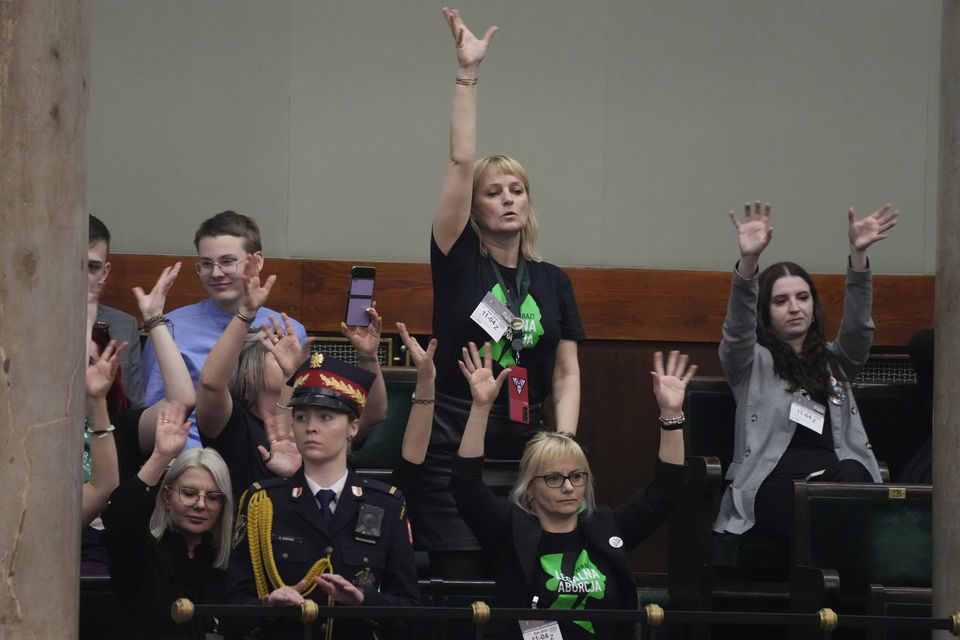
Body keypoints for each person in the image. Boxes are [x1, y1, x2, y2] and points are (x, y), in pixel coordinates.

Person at [423, 7, 586, 576]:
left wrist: (561, 447)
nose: (509, 199)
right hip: (455, 446)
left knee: (525, 583)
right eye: (494, 192)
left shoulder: (551, 280)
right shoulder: (458, 261)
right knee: (465, 585)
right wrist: (467, 75)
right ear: (473, 206)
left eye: (517, 190)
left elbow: (564, 373)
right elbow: (460, 159)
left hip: (527, 450)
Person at [450, 343, 693, 639]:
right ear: (530, 491)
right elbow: (466, 486)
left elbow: (665, 490)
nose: (568, 486)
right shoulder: (510, 531)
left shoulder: (606, 527)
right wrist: (480, 407)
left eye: (577, 476)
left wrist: (672, 416)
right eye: (553, 478)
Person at [713, 201, 899, 541]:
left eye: (803, 297)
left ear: (814, 306)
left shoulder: (835, 362)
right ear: (765, 312)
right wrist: (749, 263)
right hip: (773, 487)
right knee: (828, 509)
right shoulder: (749, 362)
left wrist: (858, 260)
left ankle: (824, 585)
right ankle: (835, 585)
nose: (795, 307)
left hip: (835, 480)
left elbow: (859, 330)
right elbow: (737, 329)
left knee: (851, 479)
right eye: (781, 301)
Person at [227, 354, 420, 640]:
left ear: (353, 427)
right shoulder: (262, 503)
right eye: (301, 417)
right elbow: (232, 610)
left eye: (326, 417)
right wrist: (267, 606)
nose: (311, 427)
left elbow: (411, 615)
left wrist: (364, 601)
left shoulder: (385, 504)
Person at [195, 260, 386, 498]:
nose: (293, 356)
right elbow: (210, 384)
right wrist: (245, 314)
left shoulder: (313, 419)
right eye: (277, 350)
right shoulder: (234, 424)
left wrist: (367, 356)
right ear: (248, 370)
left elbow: (373, 415)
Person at [141, 210, 308, 447]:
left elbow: (299, 411)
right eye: (207, 264)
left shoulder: (288, 330)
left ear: (257, 261)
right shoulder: (170, 328)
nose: (216, 273)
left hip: (268, 455)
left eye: (228, 261)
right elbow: (153, 413)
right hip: (188, 460)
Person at [82, 262, 198, 572]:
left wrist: (154, 321)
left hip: (120, 560)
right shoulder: (35, 429)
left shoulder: (123, 425)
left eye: (93, 360)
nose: (86, 370)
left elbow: (182, 401)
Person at [102, 402, 234, 640]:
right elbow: (120, 517)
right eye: (190, 493)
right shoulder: (143, 551)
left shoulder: (225, 563)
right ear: (167, 496)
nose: (201, 504)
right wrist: (160, 456)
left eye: (213, 497)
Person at [89, 214, 144, 409]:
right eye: (71, 264)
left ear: (105, 272)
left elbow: (134, 410)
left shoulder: (124, 325)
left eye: (91, 267)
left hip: (110, 433)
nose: (80, 275)